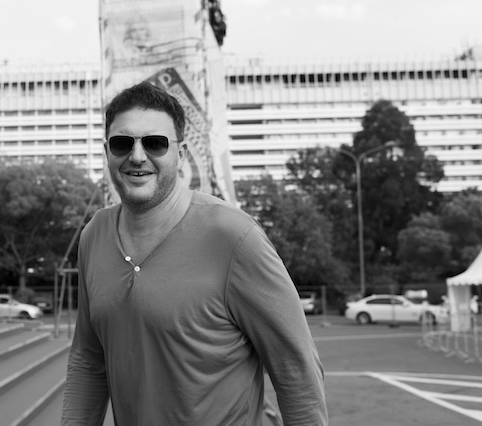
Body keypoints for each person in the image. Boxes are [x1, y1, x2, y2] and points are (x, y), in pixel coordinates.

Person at [61, 81, 327, 425]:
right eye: (122, 143)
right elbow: (88, 360)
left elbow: (297, 370)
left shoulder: (233, 235)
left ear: (181, 153)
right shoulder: (93, 236)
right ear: (107, 151)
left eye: (155, 143)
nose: (137, 156)